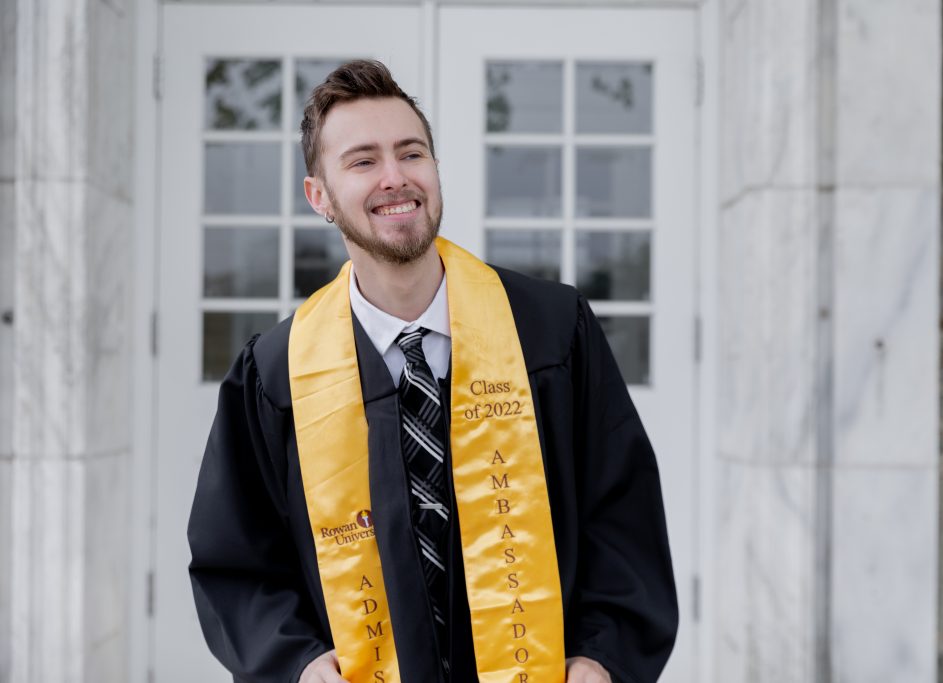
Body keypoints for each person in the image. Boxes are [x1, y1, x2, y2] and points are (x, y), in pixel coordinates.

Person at [188, 59, 677, 683]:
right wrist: (299, 665)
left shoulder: (552, 331)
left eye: (411, 153)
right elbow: (238, 564)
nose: (395, 178)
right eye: (363, 161)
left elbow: (623, 518)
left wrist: (602, 657)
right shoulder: (277, 372)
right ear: (320, 197)